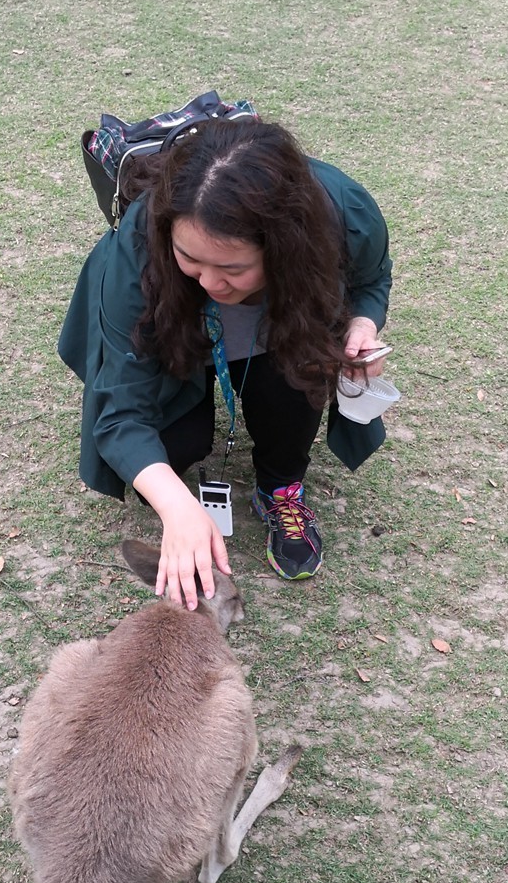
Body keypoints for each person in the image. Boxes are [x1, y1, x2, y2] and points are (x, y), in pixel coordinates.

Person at [58, 117, 392, 610]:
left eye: (232, 268)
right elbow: (121, 409)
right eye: (189, 259)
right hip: (180, 329)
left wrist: (363, 325)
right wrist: (176, 506)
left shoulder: (341, 208)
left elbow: (370, 281)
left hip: (277, 324)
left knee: (296, 381)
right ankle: (185, 462)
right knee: (172, 445)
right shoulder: (138, 248)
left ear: (285, 248)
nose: (210, 283)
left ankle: (280, 487)